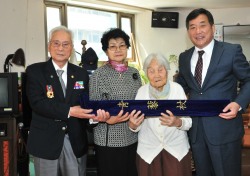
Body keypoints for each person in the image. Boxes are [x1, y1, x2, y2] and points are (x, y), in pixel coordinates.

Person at [176, 8, 250, 176]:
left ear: (213, 28)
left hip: (225, 128)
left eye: (202, 25)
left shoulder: (231, 51)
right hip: (196, 132)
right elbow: (182, 86)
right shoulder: (184, 57)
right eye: (192, 27)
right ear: (188, 32)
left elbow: (249, 80)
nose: (198, 31)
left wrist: (238, 104)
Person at [26, 26, 98, 176]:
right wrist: (70, 111)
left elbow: (86, 104)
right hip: (45, 144)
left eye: (65, 44)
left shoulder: (81, 74)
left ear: (71, 48)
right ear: (49, 46)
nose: (60, 48)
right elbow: (38, 103)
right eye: (56, 43)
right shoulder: (35, 71)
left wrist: (94, 118)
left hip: (75, 142)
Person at [128, 53, 192, 176]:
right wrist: (133, 125)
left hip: (176, 149)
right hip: (148, 151)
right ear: (146, 74)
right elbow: (135, 124)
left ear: (167, 71)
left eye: (160, 70)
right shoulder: (141, 92)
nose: (156, 75)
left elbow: (188, 121)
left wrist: (177, 122)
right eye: (151, 71)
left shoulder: (177, 89)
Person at [89, 28, 142, 176]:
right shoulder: (98, 75)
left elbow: (139, 102)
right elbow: (93, 110)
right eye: (112, 46)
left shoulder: (134, 73)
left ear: (127, 48)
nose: (118, 49)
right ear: (106, 51)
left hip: (132, 136)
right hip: (108, 139)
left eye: (122, 45)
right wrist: (108, 119)